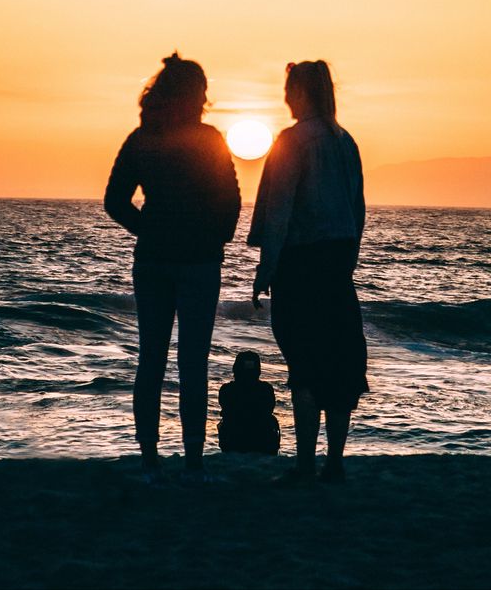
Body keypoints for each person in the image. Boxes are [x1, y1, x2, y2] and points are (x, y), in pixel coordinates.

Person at [104, 53, 240, 478]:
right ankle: (194, 458)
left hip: (154, 260)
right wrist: (215, 237)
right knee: (192, 361)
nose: (205, 98)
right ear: (193, 93)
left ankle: (149, 456)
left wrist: (148, 229)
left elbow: (114, 201)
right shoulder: (209, 138)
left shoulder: (142, 138)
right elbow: (231, 200)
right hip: (198, 261)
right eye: (201, 91)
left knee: (152, 359)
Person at [248, 59, 367, 484]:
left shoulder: (293, 141)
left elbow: (279, 210)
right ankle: (334, 461)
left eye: (289, 89)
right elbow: (358, 208)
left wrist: (267, 267)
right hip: (337, 263)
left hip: (301, 262)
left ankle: (304, 463)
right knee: (340, 360)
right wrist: (348, 256)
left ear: (300, 93)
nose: (284, 97)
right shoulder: (344, 141)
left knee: (304, 360)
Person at [217, 350, 281, 455]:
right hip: (263, 443)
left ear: (235, 369)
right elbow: (270, 409)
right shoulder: (266, 389)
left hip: (233, 442)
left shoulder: (226, 390)